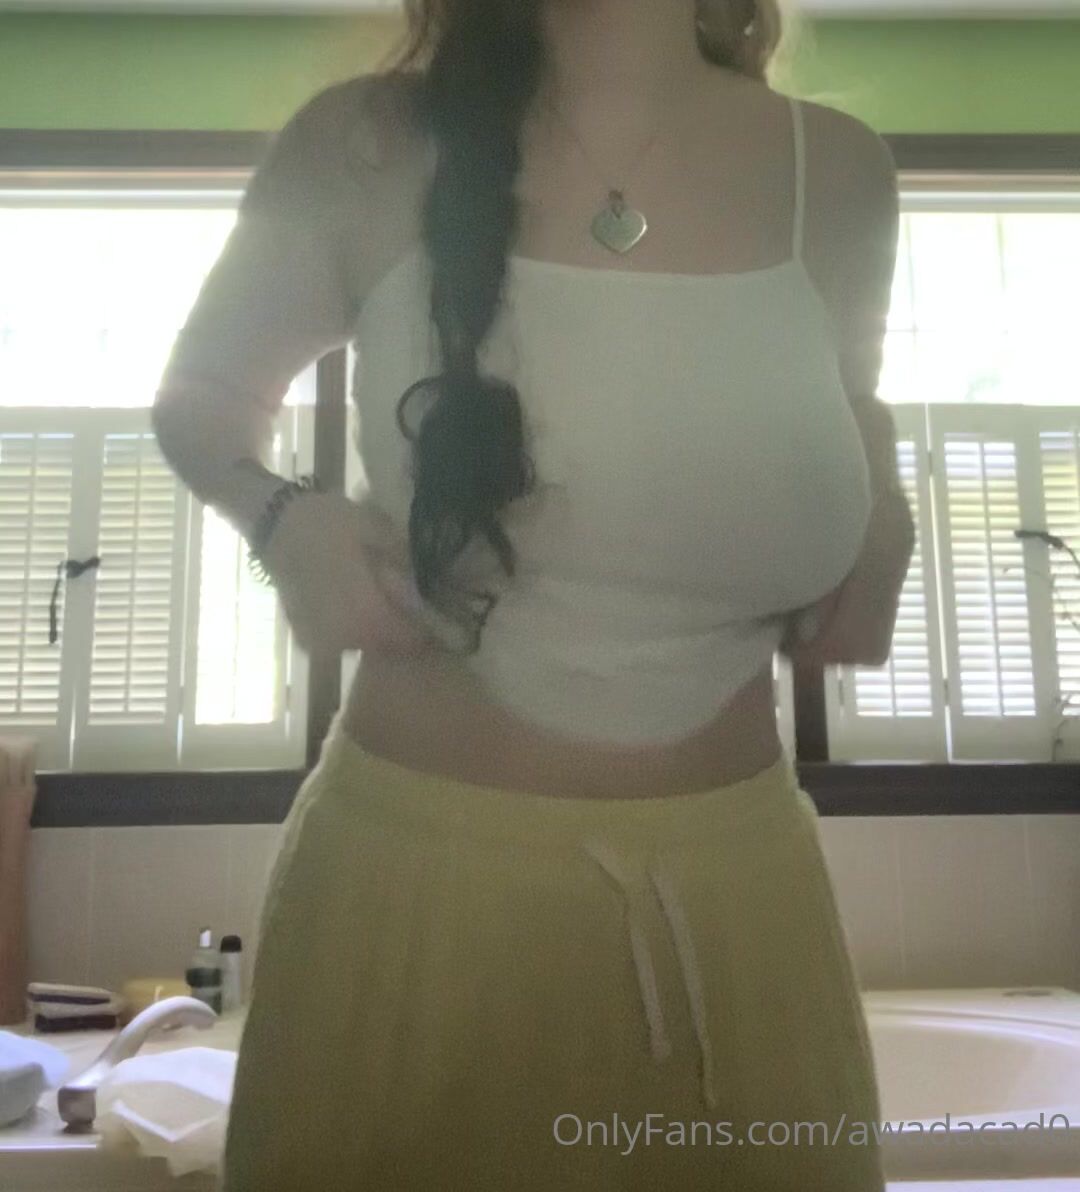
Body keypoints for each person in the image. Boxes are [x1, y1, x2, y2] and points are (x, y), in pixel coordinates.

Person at [152, 0, 915, 1187]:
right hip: (416, 913)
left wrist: (881, 512)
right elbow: (200, 399)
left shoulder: (844, 174)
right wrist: (283, 518)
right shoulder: (360, 144)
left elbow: (850, 399)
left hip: (745, 915)